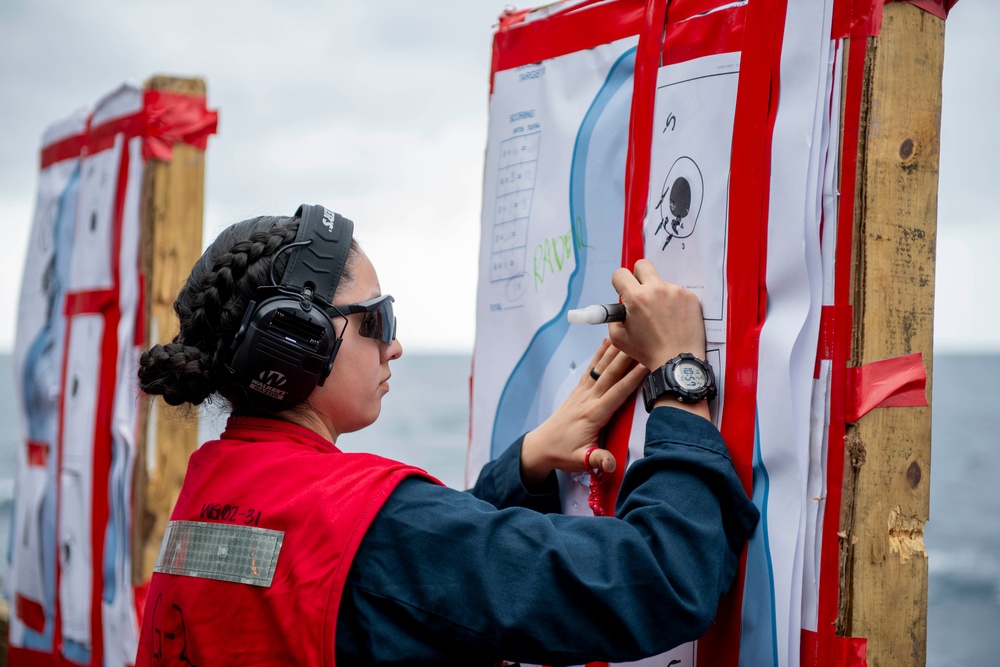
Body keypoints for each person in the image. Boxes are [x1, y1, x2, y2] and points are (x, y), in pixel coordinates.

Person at [135, 204, 758, 666]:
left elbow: (390, 586)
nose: (395, 343)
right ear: (298, 341)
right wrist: (680, 380)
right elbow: (662, 582)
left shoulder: (211, 497)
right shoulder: (375, 527)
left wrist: (526, 468)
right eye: (378, 318)